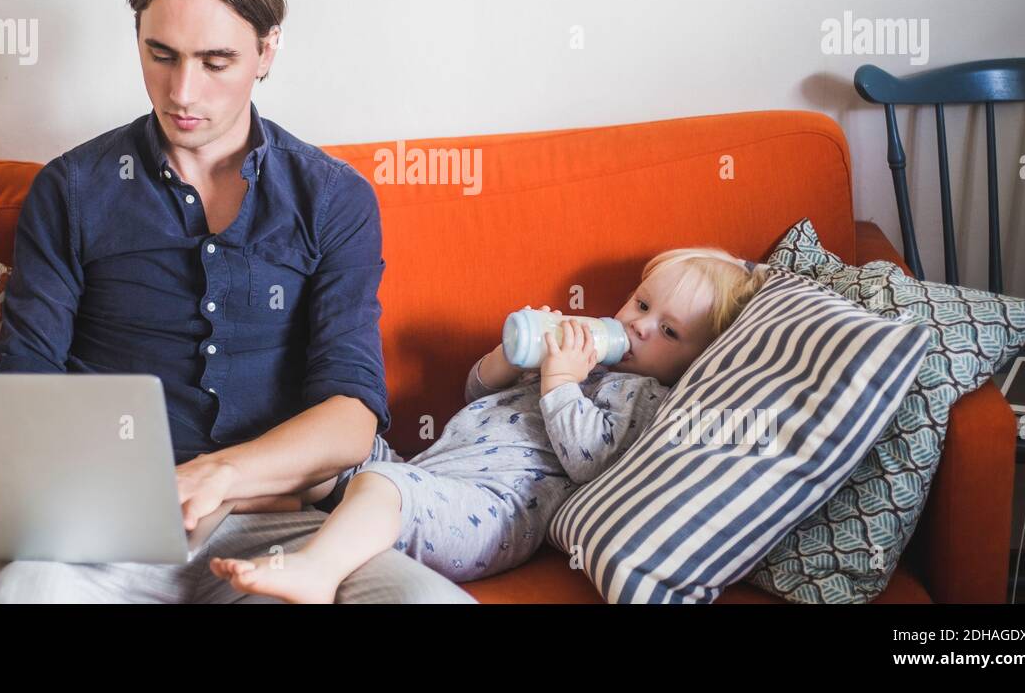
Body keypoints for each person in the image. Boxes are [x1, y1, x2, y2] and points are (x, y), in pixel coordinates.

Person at [0, 0, 474, 603]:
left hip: (287, 530)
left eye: (216, 61)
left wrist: (220, 475)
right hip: (112, 537)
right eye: (162, 55)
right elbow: (24, 386)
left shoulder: (333, 197)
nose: (183, 91)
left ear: (267, 50)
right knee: (22, 595)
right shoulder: (71, 190)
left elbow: (351, 412)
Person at [209, 249, 770, 603]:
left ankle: (314, 570)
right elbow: (476, 392)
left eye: (669, 332)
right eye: (641, 304)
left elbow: (591, 462)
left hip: (489, 515)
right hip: (427, 475)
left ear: (701, 358)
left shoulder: (647, 398)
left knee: (383, 486)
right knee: (343, 448)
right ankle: (233, 499)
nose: (640, 327)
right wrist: (516, 355)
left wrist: (560, 383)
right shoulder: (587, 357)